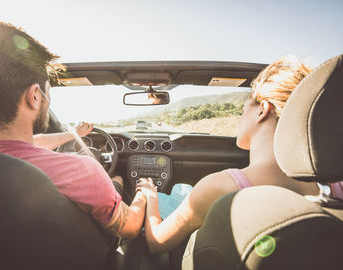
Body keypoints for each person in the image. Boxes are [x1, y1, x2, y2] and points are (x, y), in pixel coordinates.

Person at [0, 20, 156, 240]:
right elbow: (131, 228)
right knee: (118, 181)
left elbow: (28, 145)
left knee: (116, 183)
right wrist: (145, 193)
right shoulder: (81, 172)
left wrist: (75, 134)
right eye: (48, 92)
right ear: (35, 96)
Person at [137, 56, 320, 254]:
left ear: (262, 111)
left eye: (243, 110)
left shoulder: (220, 187)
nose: (240, 119)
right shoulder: (335, 187)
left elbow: (156, 242)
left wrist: (150, 195)